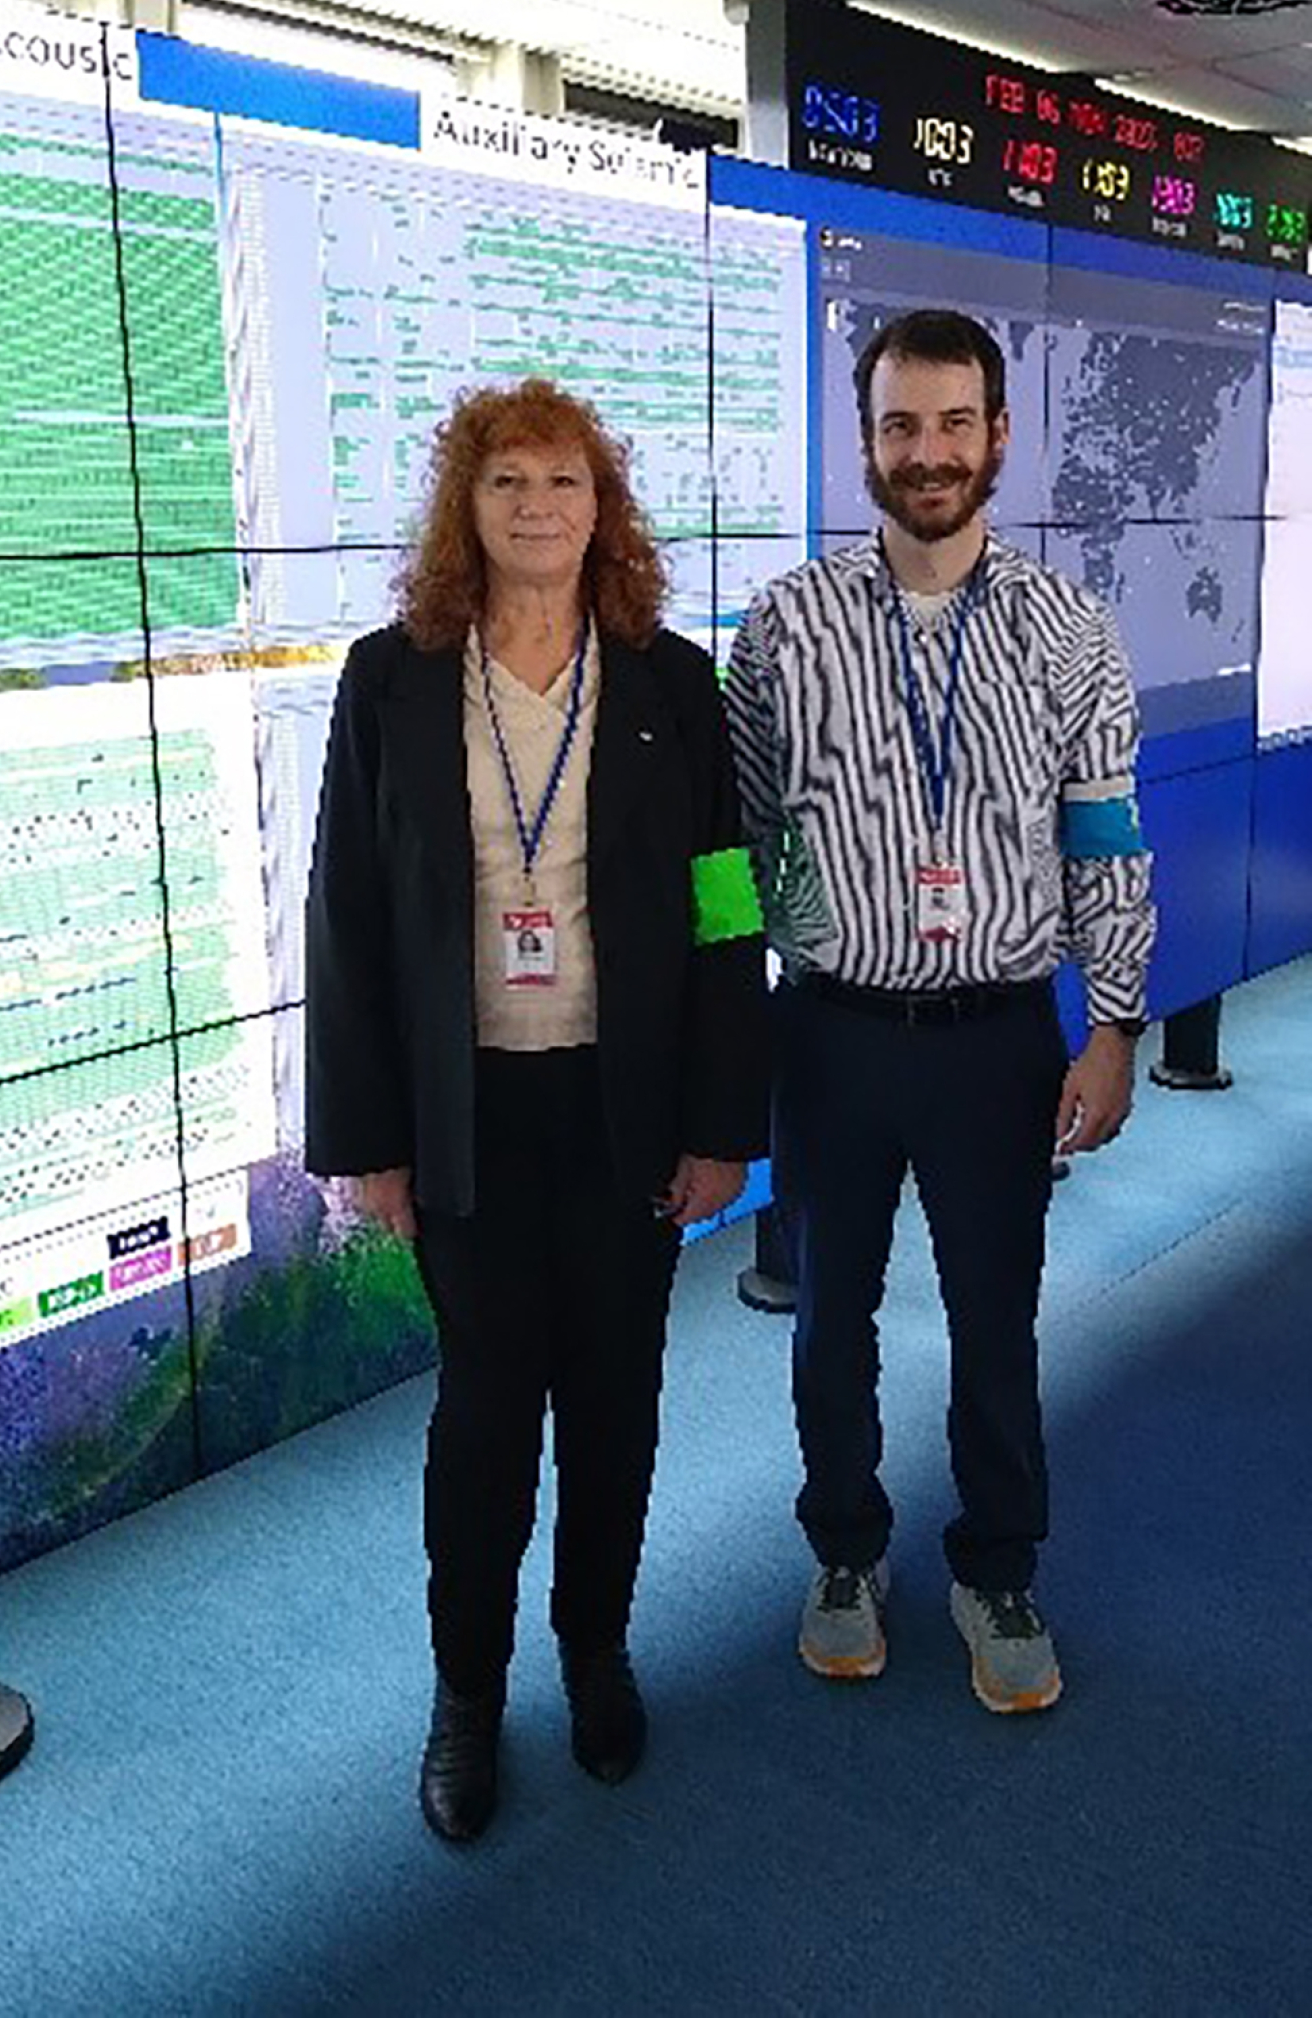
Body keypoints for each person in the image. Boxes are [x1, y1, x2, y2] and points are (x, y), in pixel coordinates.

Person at [305, 377, 767, 1841]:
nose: (535, 508)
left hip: (622, 1112)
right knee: (484, 1417)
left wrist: (721, 1119)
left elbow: (722, 903)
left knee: (617, 1406)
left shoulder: (669, 684)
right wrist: (368, 1135)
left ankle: (594, 1650)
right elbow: (347, 916)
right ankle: (466, 1691)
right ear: (466, 507)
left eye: (562, 481)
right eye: (505, 482)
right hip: (469, 1118)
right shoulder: (389, 680)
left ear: (600, 507)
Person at [725, 310, 1155, 1714]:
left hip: (996, 1039)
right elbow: (725, 857)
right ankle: (843, 1550)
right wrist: (728, 1029)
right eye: (900, 427)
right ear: (864, 444)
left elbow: (1103, 836)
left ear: (996, 437)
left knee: (993, 1318)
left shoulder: (1066, 625)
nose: (928, 454)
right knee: (827, 1314)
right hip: (832, 1032)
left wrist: (1113, 1022)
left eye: (953, 424)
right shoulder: (784, 625)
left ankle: (995, 1564)